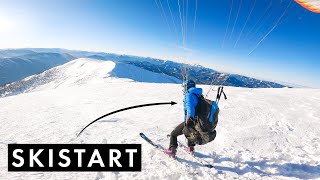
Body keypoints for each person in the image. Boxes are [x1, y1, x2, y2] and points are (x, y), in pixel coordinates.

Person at [164, 80, 203, 158]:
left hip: (191, 119)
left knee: (173, 134)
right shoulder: (198, 94)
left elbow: (190, 108)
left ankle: (172, 150)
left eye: (184, 87)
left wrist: (190, 119)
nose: (183, 89)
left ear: (187, 87)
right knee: (189, 132)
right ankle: (190, 148)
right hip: (198, 120)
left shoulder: (189, 95)